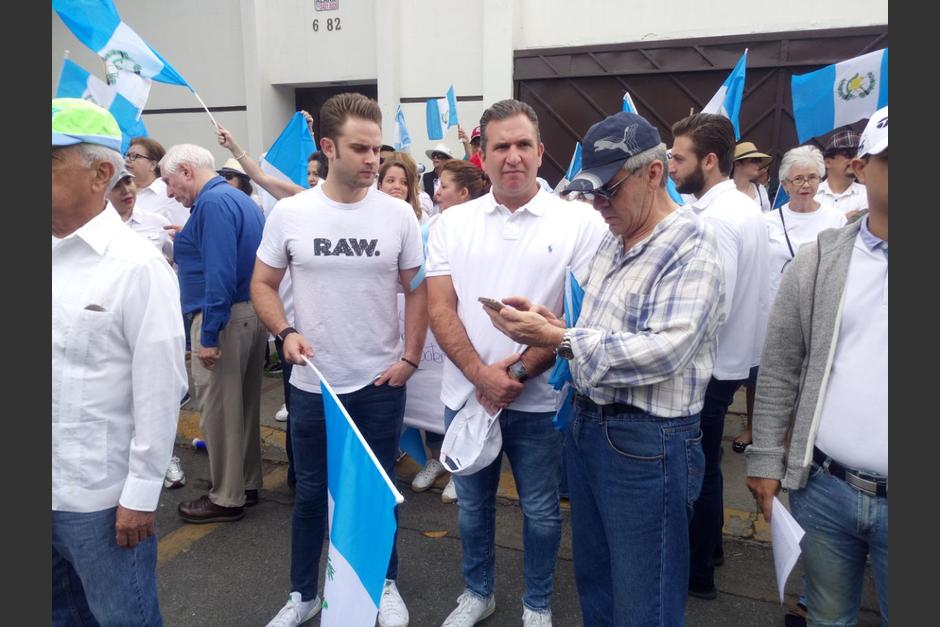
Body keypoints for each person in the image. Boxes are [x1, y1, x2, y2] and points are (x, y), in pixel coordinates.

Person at [484, 110, 725, 627]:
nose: (598, 204)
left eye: (608, 191)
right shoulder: (615, 237)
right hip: (590, 425)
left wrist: (558, 338)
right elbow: (594, 326)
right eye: (592, 192)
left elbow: (665, 350)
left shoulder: (693, 244)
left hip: (648, 441)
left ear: (654, 174)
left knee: (643, 599)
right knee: (596, 584)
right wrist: (549, 322)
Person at [426, 99, 607, 627]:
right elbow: (440, 308)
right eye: (500, 146)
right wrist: (481, 376)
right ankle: (477, 593)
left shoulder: (579, 221)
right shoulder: (452, 222)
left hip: (540, 401)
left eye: (523, 144)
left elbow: (581, 314)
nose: (513, 156)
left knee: (542, 512)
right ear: (481, 155)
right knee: (472, 507)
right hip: (466, 396)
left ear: (541, 151)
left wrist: (519, 372)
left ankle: (537, 603)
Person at [251, 92, 426, 627]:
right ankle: (304, 594)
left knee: (376, 495)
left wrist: (410, 358)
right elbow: (262, 284)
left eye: (377, 149)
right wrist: (285, 332)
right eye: (360, 149)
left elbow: (418, 290)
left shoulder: (398, 215)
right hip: (313, 386)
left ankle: (383, 584)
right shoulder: (292, 213)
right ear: (328, 148)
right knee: (309, 496)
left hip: (378, 383)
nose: (373, 160)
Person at [747, 105, 888, 626]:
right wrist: (765, 458)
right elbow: (782, 364)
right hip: (826, 487)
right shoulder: (822, 258)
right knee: (826, 617)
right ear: (861, 168)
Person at [52, 98, 188, 626]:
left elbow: (160, 388)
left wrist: (141, 493)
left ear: (100, 174)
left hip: (100, 501)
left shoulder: (137, 267)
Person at [669, 113, 770, 601]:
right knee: (706, 464)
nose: (670, 166)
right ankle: (710, 551)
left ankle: (698, 572)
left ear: (709, 161)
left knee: (698, 468)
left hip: (710, 364)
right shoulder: (742, 207)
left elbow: (712, 302)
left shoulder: (715, 219)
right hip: (733, 358)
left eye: (678, 157)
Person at [165, 144, 268, 524]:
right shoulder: (238, 199)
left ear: (187, 170)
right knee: (244, 408)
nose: (170, 192)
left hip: (223, 319)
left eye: (170, 181)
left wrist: (208, 336)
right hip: (248, 312)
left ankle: (226, 497)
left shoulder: (211, 204)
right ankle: (245, 482)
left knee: (220, 413)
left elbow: (219, 272)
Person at [732, 146, 848, 455]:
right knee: (765, 374)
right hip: (774, 310)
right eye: (798, 179)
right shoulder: (768, 221)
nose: (806, 184)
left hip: (818, 311)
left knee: (810, 375)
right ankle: (756, 428)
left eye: (812, 177)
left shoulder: (835, 219)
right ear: (784, 184)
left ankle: (798, 436)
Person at [409, 159, 491, 504]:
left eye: (443, 186)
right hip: (433, 329)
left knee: (471, 398)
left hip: (469, 330)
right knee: (431, 393)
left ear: (464, 193)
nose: (436, 192)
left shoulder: (483, 228)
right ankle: (437, 458)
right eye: (436, 185)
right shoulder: (434, 226)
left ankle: (463, 468)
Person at [107, 168, 174, 263]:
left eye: (128, 182)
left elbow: (178, 261)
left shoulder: (157, 222)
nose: (126, 190)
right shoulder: (97, 227)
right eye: (116, 186)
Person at [125, 136, 191, 227]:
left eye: (134, 156)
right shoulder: (120, 192)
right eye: (127, 155)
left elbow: (183, 228)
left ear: (153, 165)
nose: (127, 160)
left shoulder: (169, 194)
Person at [815, 128, 868, 220]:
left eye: (859, 154)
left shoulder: (868, 194)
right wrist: (844, 219)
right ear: (828, 162)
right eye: (849, 154)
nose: (856, 159)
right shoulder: (811, 193)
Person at [378, 151, 424, 222]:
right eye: (391, 181)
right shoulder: (369, 213)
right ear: (380, 185)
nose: (397, 186)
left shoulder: (420, 218)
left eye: (404, 182)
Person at [732, 141, 773, 212]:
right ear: (737, 163)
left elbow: (766, 217)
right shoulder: (724, 191)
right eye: (754, 160)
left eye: (759, 160)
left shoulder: (760, 190)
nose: (759, 164)